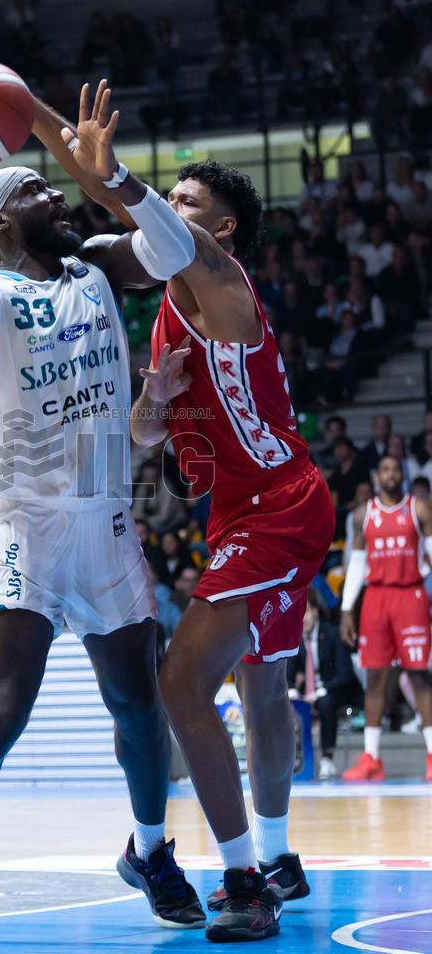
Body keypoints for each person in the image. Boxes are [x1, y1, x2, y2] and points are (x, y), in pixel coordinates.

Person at [0, 24, 204, 950]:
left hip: (106, 517)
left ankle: (148, 850)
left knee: (139, 705)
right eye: (32, 188)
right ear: (0, 224)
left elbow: (172, 253)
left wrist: (35, 110)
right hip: (26, 525)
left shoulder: (96, 266)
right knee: (3, 712)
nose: (51, 192)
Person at [127, 158, 335, 941]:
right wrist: (155, 397)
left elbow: (135, 206)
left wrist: (103, 167)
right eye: (169, 196)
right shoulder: (167, 309)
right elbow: (145, 436)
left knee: (182, 684)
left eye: (188, 202)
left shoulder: (222, 281)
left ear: (222, 230)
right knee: (263, 689)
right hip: (241, 513)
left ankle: (244, 880)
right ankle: (278, 858)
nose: (170, 206)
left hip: (281, 505)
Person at [340, 455, 432, 782]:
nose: (391, 474)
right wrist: (347, 609)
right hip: (376, 598)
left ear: (401, 475)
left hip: (410, 594)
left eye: (396, 469)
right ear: (377, 476)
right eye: (385, 469)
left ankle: (431, 756)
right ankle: (371, 759)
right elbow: (357, 564)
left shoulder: (419, 508)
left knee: (419, 676)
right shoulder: (362, 514)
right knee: (375, 677)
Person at [287, 588, 362, 779]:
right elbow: (288, 673)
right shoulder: (294, 637)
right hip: (308, 693)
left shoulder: (333, 633)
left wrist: (321, 691)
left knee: (326, 702)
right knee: (289, 703)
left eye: (305, 612)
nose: (302, 618)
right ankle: (293, 759)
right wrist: (292, 690)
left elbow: (345, 674)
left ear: (315, 611)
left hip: (337, 691)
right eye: (298, 613)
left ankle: (327, 759)